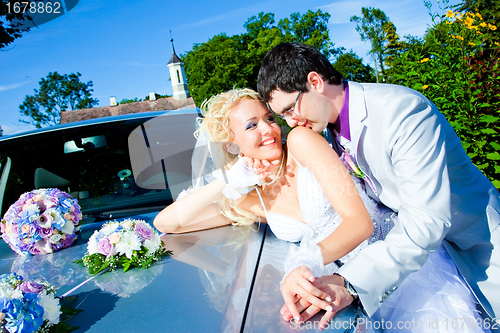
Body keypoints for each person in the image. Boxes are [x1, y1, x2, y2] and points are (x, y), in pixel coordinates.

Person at [153, 88, 485, 331]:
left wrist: (303, 262)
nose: (269, 129)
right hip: (337, 290)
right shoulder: (249, 199)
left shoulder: (300, 143)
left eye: (269, 118)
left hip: (392, 265)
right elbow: (167, 223)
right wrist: (226, 180)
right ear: (230, 143)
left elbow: (361, 222)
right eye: (251, 126)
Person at [257, 42, 500, 329]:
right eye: (283, 116)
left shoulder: (402, 112)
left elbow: (426, 221)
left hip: (477, 248)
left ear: (314, 82)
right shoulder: (327, 127)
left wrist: (349, 284)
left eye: (289, 109)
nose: (291, 122)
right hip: (422, 261)